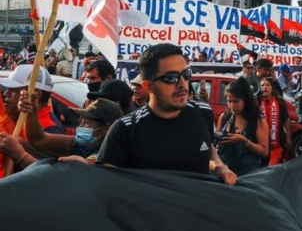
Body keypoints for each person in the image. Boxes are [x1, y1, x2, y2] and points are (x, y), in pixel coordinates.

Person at [71, 44, 237, 185]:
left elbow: (206, 148)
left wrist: (220, 166)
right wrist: (85, 166)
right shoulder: (126, 129)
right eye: (171, 78)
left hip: (196, 217)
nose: (182, 84)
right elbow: (107, 180)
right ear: (148, 86)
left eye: (186, 75)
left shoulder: (203, 113)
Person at [4, 97, 123, 166]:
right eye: (81, 121)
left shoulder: (105, 157)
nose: (81, 126)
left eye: (87, 123)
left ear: (106, 128)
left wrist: (20, 156)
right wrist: (31, 113)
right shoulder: (83, 142)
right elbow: (39, 140)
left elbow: (56, 178)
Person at [215, 77, 270, 176]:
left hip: (249, 174)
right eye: (229, 101)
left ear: (245, 100)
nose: (232, 105)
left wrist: (244, 141)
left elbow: (264, 151)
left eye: (235, 101)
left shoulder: (257, 120)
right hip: (227, 173)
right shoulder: (224, 117)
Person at [0, 65, 65, 135]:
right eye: (8, 89)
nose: (5, 94)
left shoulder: (49, 129)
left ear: (36, 95)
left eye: (14, 90)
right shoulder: (18, 118)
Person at [259, 77, 290, 166]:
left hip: (277, 142)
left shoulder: (280, 101)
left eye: (268, 85)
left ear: (272, 88)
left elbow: (286, 120)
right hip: (261, 143)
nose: (265, 87)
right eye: (262, 85)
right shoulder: (256, 102)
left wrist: (288, 138)